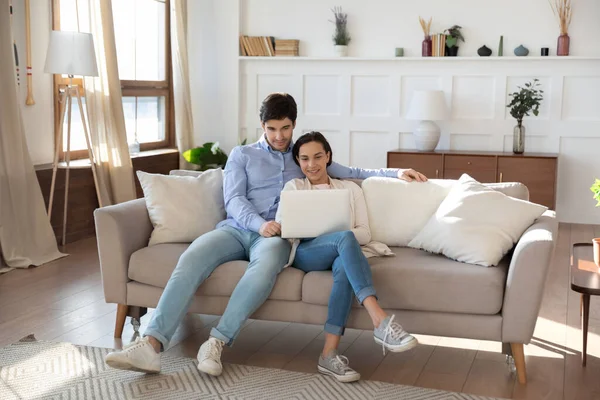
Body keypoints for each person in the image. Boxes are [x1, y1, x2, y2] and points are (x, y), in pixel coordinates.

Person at [104, 93, 427, 377]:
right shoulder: (242, 155)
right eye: (272, 129)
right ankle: (151, 344)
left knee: (261, 273)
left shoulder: (303, 155)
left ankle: (216, 342)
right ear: (262, 126)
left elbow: (354, 172)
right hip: (237, 228)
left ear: (294, 124)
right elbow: (234, 199)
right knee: (190, 259)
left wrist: (396, 172)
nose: (279, 136)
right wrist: (258, 223)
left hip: (277, 239)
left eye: (285, 128)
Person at [275, 131, 418, 383]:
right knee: (344, 238)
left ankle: (328, 355)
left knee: (344, 263)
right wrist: (333, 236)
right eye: (305, 159)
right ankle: (380, 320)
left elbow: (364, 232)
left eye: (318, 156)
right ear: (298, 161)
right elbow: (284, 229)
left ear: (328, 156)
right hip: (308, 253)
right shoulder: (293, 188)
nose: (312, 164)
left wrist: (339, 238)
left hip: (343, 251)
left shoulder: (350, 189)